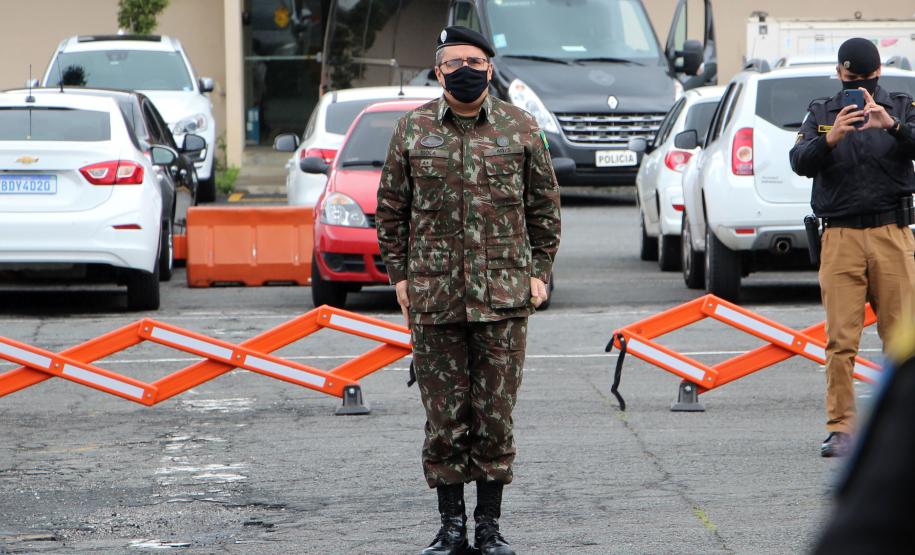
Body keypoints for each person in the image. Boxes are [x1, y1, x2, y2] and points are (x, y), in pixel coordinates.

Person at [376, 26, 561, 555]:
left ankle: (488, 527)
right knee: (444, 420)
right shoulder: (412, 130)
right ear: (438, 72)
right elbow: (391, 211)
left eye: (474, 61)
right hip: (435, 301)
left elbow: (544, 208)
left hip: (503, 300)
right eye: (454, 62)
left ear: (490, 68)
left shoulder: (520, 128)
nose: (465, 70)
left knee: (495, 420)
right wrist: (401, 276)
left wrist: (539, 273)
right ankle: (451, 527)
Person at [789, 37, 915, 458]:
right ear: (838, 74)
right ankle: (841, 428)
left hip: (891, 232)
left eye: (864, 77)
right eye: (850, 76)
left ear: (878, 73)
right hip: (840, 236)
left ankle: (902, 429)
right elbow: (799, 160)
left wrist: (892, 126)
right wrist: (829, 140)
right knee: (841, 340)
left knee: (901, 340)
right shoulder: (822, 112)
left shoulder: (900, 106)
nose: (858, 85)